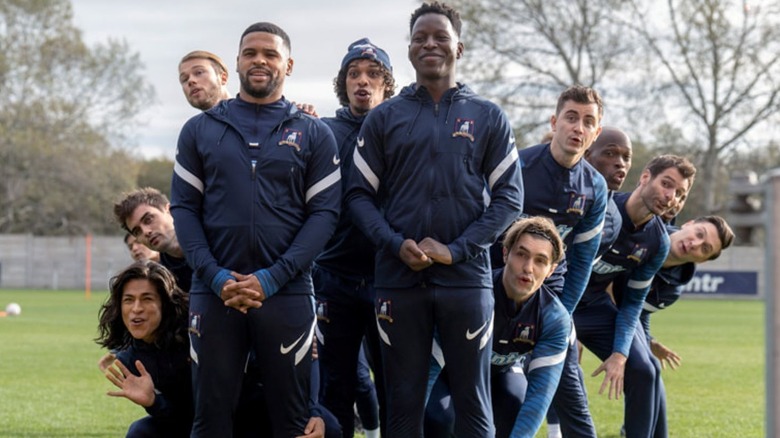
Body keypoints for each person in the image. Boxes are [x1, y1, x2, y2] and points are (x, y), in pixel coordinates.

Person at [346, 3, 524, 436]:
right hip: (397, 280)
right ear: (408, 50)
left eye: (440, 37)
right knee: (403, 407)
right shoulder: (385, 117)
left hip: (466, 282)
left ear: (458, 47)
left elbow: (510, 198)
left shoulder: (488, 116)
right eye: (420, 37)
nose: (430, 44)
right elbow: (357, 196)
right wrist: (393, 243)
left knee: (474, 407)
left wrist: (456, 249)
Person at [170, 21, 341, 437]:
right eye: (251, 53)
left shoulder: (314, 132)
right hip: (215, 294)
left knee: (295, 424)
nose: (260, 60)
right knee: (210, 421)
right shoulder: (199, 130)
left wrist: (272, 277)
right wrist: (213, 276)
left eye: (270, 54)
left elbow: (325, 216)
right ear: (238, 62)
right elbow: (184, 210)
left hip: (287, 293)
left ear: (289, 64)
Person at [489, 84, 608, 438]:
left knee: (569, 386)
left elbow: (583, 260)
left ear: (595, 133)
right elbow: (486, 236)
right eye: (571, 118)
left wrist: (561, 316)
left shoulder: (595, 188)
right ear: (554, 122)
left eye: (588, 122)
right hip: (495, 287)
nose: (578, 128)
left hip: (548, 292)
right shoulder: (517, 166)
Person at [575, 154, 696, 438]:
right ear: (644, 177)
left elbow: (632, 305)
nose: (671, 197)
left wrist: (619, 354)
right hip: (554, 302)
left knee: (643, 369)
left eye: (680, 194)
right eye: (667, 184)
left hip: (592, 307)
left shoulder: (658, 242)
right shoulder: (601, 207)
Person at [315, 37, 395, 438]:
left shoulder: (401, 128)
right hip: (334, 278)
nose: (363, 81)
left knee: (393, 387)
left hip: (391, 278)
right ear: (343, 83)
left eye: (373, 74)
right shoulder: (322, 131)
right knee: (335, 388)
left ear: (387, 83)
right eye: (354, 73)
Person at [426, 217, 571, 438]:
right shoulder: (471, 296)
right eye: (521, 254)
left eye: (540, 261)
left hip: (498, 372)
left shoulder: (555, 318)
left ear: (551, 270)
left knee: (516, 399)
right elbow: (428, 368)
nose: (528, 268)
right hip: (448, 372)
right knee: (442, 418)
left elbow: (539, 396)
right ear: (505, 254)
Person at [95, 261, 192, 438]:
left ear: (165, 303)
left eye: (147, 299)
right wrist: (153, 402)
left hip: (234, 420)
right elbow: (176, 416)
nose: (136, 309)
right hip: (187, 423)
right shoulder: (131, 359)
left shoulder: (194, 338)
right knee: (140, 432)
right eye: (128, 300)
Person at [114, 188, 192, 293]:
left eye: (148, 219)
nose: (146, 232)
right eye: (137, 231)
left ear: (169, 210)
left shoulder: (214, 238)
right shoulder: (162, 280)